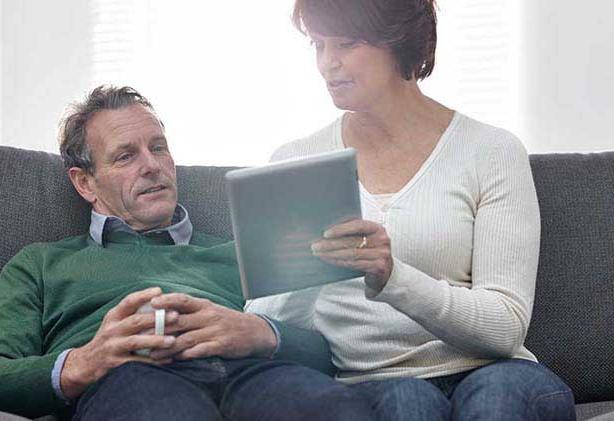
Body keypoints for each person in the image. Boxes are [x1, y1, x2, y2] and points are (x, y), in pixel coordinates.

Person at [247, 1, 576, 420]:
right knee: (407, 402)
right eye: (318, 44)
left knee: (497, 403)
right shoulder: (296, 163)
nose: (327, 63)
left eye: (346, 44)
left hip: (495, 371)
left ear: (399, 42)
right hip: (370, 384)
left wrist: (392, 276)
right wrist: (306, 267)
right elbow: (264, 324)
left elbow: (505, 326)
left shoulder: (490, 151)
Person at [0, 85, 373, 421]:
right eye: (126, 156)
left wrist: (261, 333)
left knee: (335, 408)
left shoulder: (238, 250)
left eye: (158, 148)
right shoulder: (41, 263)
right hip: (130, 380)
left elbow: (327, 354)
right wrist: (87, 360)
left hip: (252, 373)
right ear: (85, 183)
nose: (152, 165)